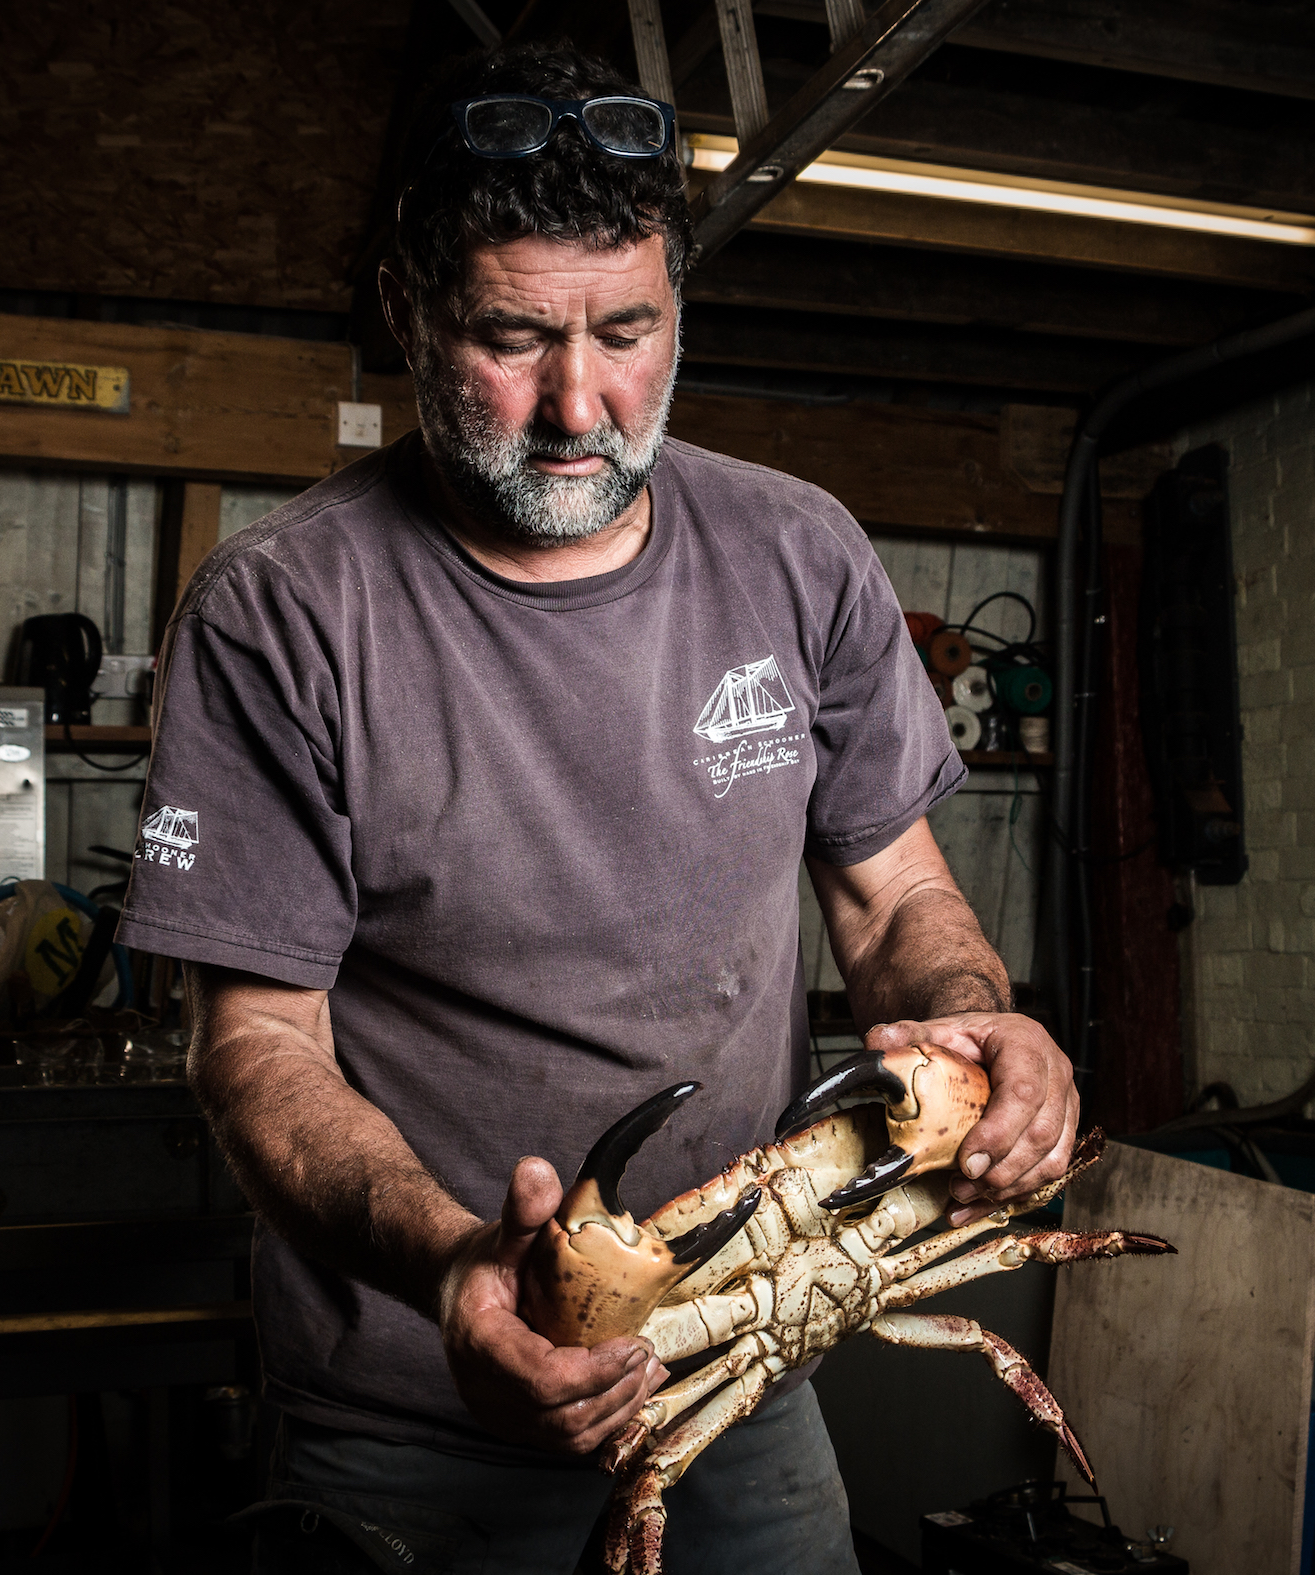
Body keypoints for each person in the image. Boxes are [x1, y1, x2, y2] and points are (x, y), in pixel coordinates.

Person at [116, 38, 1081, 1575]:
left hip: (741, 1385)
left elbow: (895, 899)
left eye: (627, 330)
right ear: (407, 312)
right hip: (415, 1405)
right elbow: (255, 1045)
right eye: (511, 336)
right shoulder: (284, 611)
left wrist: (981, 1021)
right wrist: (453, 1274)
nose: (579, 403)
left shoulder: (797, 551)